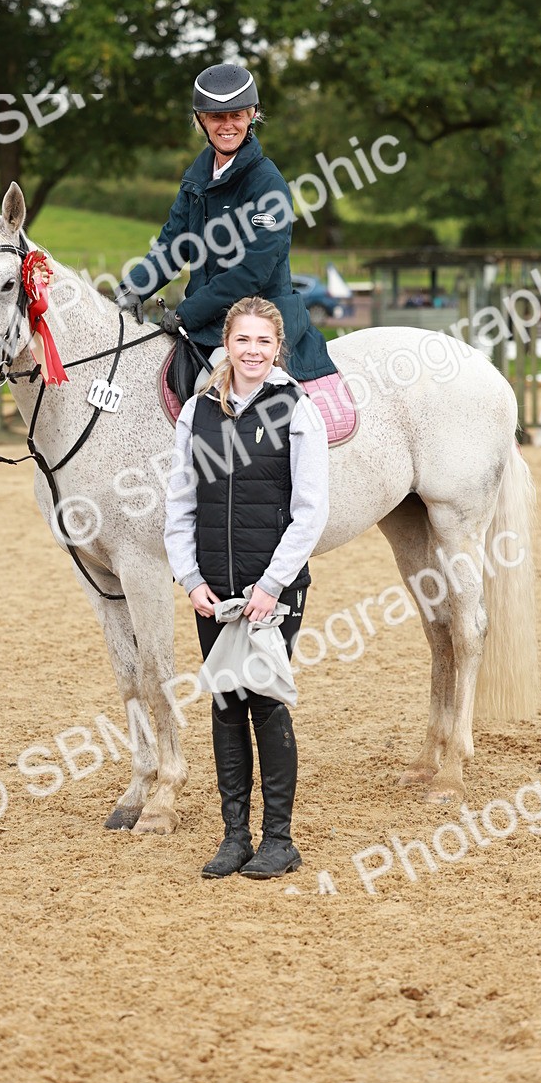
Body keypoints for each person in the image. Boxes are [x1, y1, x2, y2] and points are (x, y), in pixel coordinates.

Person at [164, 297, 330, 879]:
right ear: (227, 346)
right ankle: (235, 836)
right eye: (243, 341)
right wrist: (190, 579)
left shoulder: (296, 409)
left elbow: (311, 512)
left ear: (276, 347)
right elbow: (180, 506)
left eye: (263, 342)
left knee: (262, 698)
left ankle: (279, 840)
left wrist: (272, 584)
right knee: (225, 702)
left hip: (271, 590)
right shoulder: (197, 413)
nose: (253, 351)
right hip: (214, 589)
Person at [115, 63, 335, 382]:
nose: (227, 125)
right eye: (217, 117)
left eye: (237, 115)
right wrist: (132, 290)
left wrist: (186, 314)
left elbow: (250, 274)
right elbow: (173, 245)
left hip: (260, 320)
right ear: (202, 120)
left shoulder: (267, 185)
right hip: (210, 323)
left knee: (212, 386)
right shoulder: (198, 177)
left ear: (253, 116)